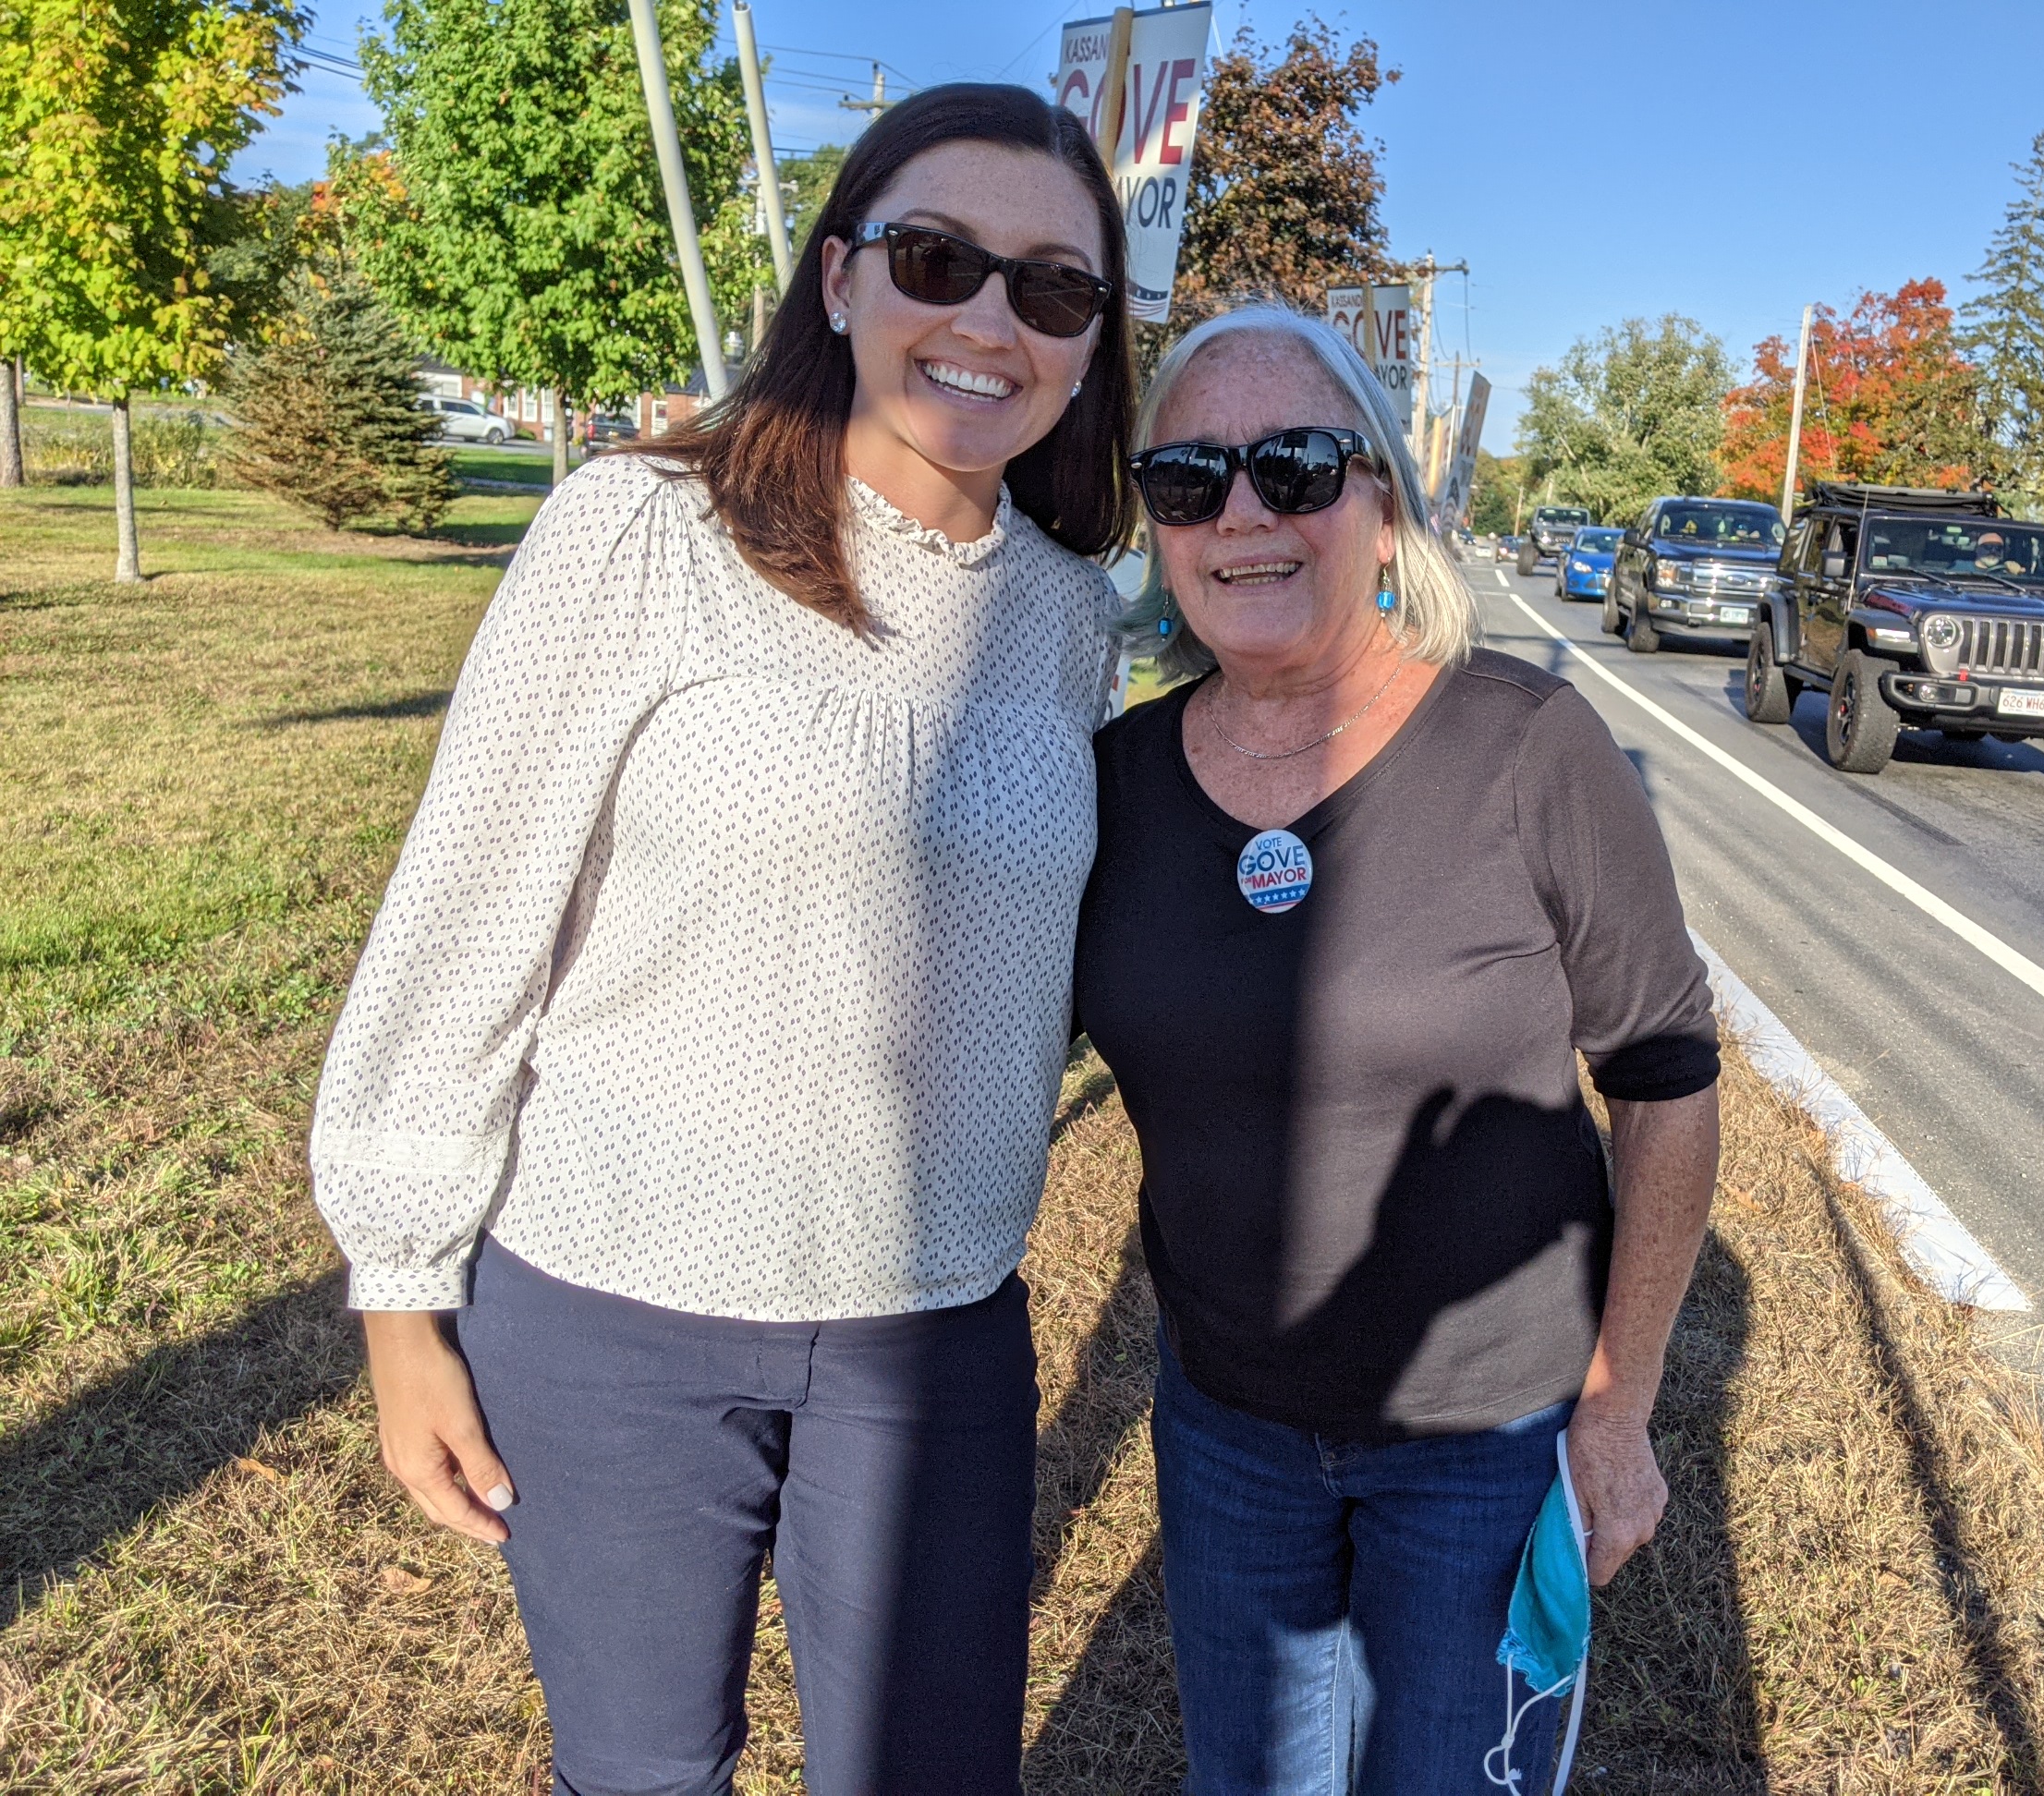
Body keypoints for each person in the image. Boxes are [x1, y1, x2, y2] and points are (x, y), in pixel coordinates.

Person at [309, 83, 1135, 1796]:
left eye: (1054, 287)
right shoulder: (641, 532)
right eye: (937, 259)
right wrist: (400, 1295)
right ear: (838, 277)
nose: (991, 320)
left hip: (934, 1323)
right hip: (613, 1312)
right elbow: (470, 905)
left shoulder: (1072, 622)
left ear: (1090, 341)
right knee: (642, 1775)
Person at [1075, 307, 1723, 1794]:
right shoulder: (1117, 782)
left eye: (1296, 466)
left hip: (1489, 1441)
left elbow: (1666, 1085)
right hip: (1228, 1430)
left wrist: (1617, 1410)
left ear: (1382, 502)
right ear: (1157, 527)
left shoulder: (1527, 746)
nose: (1244, 513)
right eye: (1189, 479)